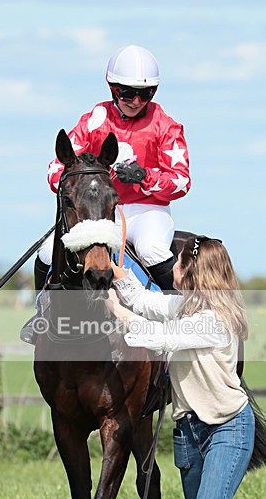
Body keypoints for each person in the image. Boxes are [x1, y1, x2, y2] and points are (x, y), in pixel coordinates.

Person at [106, 236, 266, 499]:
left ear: (192, 271)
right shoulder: (187, 306)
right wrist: (118, 276)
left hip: (228, 429)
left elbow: (160, 336)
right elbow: (150, 303)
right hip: (189, 432)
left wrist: (119, 314)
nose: (170, 270)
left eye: (176, 263)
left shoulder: (216, 320)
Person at [20, 44, 191, 343]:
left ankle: (182, 320)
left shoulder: (167, 126)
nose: (136, 101)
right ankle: (40, 314)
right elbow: (55, 169)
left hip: (146, 209)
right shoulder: (93, 120)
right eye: (127, 92)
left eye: (145, 93)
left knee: (151, 249)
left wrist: (144, 177)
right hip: (97, 211)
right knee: (47, 251)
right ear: (112, 87)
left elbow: (181, 181)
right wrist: (77, 184)